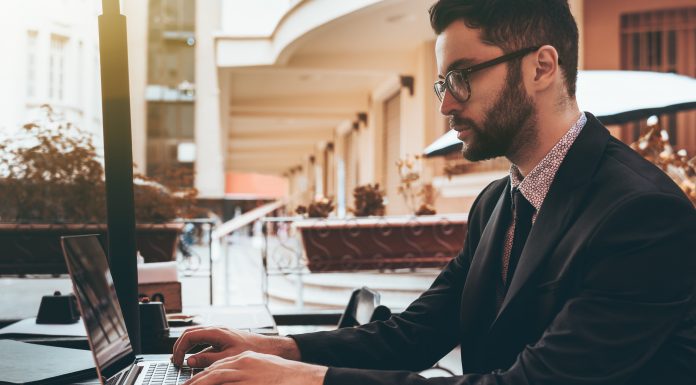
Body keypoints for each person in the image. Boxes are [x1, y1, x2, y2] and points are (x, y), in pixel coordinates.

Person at [171, 0, 696, 384]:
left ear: (541, 67)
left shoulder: (641, 213)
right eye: (444, 84)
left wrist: (305, 379)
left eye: (462, 77)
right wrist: (274, 347)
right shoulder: (496, 202)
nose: (446, 106)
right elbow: (415, 335)